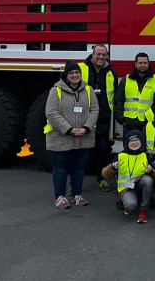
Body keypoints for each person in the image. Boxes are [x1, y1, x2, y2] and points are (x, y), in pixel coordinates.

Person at [45, 60, 99, 209]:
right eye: (71, 73)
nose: (75, 75)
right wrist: (69, 129)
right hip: (61, 138)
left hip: (83, 137)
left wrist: (87, 128)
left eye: (77, 73)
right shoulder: (55, 91)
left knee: (79, 167)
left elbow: (94, 110)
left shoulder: (88, 90)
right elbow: (51, 112)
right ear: (66, 75)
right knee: (61, 168)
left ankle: (76, 194)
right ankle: (60, 196)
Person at [79, 44, 119, 193]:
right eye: (98, 54)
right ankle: (75, 184)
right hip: (84, 117)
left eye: (104, 55)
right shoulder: (81, 69)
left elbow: (114, 95)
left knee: (102, 150)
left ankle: (101, 179)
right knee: (82, 151)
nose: (101, 57)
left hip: (102, 117)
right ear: (93, 54)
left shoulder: (111, 73)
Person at [101, 129, 155, 223]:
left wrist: (151, 171)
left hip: (140, 186)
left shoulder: (145, 156)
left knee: (148, 180)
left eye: (137, 140)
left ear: (141, 142)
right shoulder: (120, 156)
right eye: (131, 140)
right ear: (127, 143)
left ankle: (144, 210)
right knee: (130, 205)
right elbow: (104, 175)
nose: (134, 143)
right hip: (126, 187)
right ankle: (126, 202)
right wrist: (113, 168)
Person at [114, 52, 155, 135]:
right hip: (129, 124)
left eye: (145, 63)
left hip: (148, 124)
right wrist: (121, 120)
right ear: (135, 64)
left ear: (148, 64)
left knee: (146, 147)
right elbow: (118, 100)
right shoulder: (126, 80)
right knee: (129, 148)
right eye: (140, 63)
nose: (142, 65)